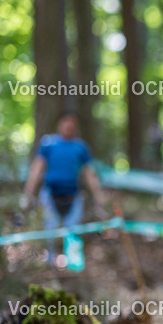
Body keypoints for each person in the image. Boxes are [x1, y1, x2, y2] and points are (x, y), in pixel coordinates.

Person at [23, 112, 108, 267]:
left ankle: (73, 267)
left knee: (73, 231)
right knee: (49, 230)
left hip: (73, 195)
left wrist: (99, 196)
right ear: (59, 123)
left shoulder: (80, 147)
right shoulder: (48, 144)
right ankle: (48, 265)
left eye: (72, 122)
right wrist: (28, 192)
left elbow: (90, 174)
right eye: (65, 122)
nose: (69, 125)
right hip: (50, 194)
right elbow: (37, 168)